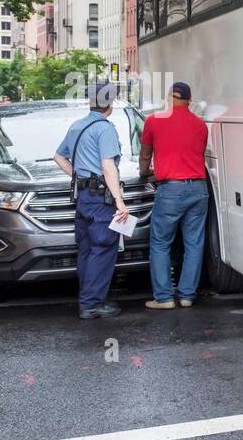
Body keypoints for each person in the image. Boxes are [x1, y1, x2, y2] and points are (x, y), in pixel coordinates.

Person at [54, 83, 130, 320]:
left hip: (83, 197)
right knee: (103, 247)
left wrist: (80, 177)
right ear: (110, 105)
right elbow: (108, 166)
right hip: (101, 199)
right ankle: (92, 304)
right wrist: (119, 200)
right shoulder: (104, 128)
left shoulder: (77, 126)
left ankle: (87, 299)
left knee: (86, 249)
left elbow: (58, 156)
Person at [140, 81, 209, 309]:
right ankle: (187, 295)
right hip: (198, 188)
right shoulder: (200, 125)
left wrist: (145, 172)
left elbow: (145, 153)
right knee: (194, 243)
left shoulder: (154, 121)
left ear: (169, 98)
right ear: (189, 100)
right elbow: (196, 153)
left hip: (170, 189)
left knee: (160, 243)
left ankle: (164, 298)